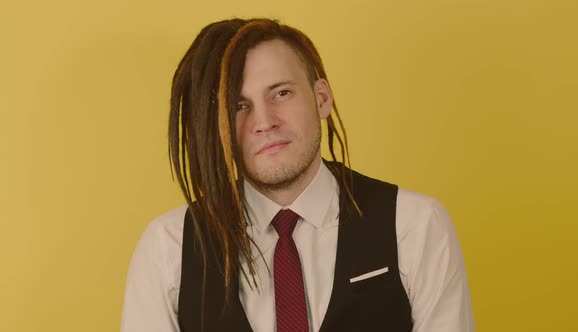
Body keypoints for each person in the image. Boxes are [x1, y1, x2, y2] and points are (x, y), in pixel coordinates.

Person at [121, 18, 474, 332]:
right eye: (239, 106)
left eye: (281, 93)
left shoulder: (415, 226)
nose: (264, 121)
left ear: (321, 98)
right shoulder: (169, 249)